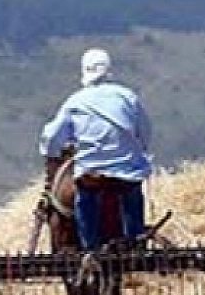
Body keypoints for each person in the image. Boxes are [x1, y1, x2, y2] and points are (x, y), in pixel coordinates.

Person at [39, 47, 154, 252]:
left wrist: (52, 153)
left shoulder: (76, 101)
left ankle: (89, 246)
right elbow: (144, 131)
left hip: (92, 172)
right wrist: (138, 150)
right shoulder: (128, 97)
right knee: (132, 193)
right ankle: (136, 240)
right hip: (126, 171)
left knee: (86, 197)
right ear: (109, 70)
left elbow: (52, 137)